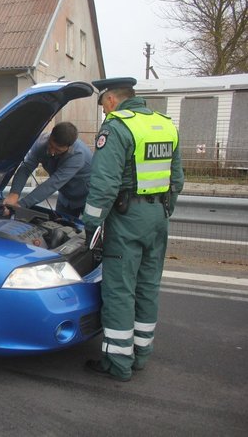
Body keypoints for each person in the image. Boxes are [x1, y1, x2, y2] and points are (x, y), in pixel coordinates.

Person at [83, 77, 185, 382]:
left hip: (126, 220)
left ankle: (118, 363)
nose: (103, 111)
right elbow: (177, 178)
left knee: (119, 291)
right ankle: (141, 355)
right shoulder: (165, 124)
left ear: (111, 99)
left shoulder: (117, 127)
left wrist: (92, 225)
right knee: (148, 286)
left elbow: (104, 185)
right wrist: (164, 210)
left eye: (102, 104)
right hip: (157, 217)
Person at [3, 121, 92, 217]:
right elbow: (26, 168)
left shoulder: (78, 156)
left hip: (87, 198)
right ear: (51, 136)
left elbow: (52, 184)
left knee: (89, 229)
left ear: (68, 147)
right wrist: (14, 194)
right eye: (51, 145)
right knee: (60, 227)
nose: (52, 152)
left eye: (57, 150)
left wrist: (21, 204)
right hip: (65, 198)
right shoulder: (41, 143)